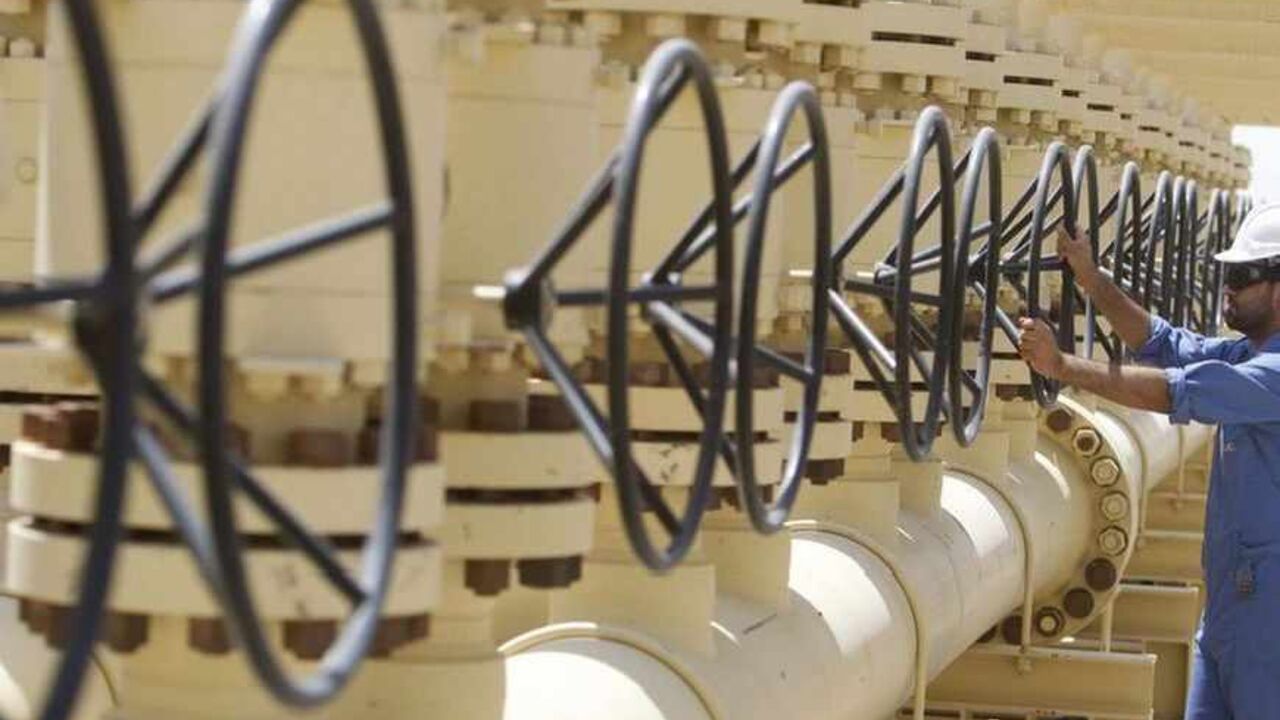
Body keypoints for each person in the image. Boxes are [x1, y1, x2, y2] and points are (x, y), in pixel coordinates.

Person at [1018, 205, 1280, 720]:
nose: (1228, 286)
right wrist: (1091, 280)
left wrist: (1062, 365)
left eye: (1244, 276)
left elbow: (1174, 391)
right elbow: (1163, 343)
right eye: (1227, 273)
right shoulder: (1248, 356)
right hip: (1229, 606)